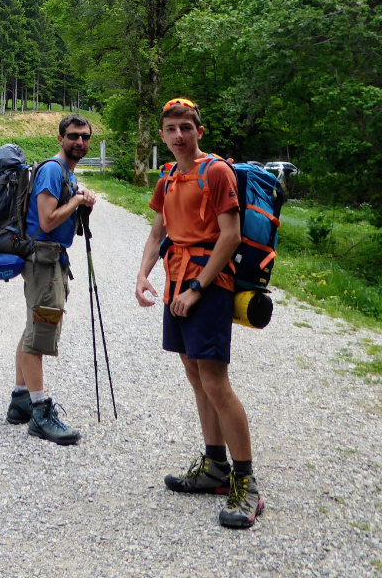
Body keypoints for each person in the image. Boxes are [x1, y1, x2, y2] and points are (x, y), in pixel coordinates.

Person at [134, 98, 263, 529]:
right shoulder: (169, 175)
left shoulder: (216, 171)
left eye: (185, 128)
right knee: (194, 375)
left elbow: (231, 236)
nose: (178, 136)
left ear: (198, 131)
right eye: (170, 129)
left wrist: (195, 287)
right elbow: (158, 229)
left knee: (215, 381)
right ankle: (214, 468)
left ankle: (247, 484)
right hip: (177, 283)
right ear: (163, 134)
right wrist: (142, 274)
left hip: (207, 285)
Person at [6, 114, 96, 444]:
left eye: (85, 137)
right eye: (73, 136)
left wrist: (80, 204)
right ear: (60, 139)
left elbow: (60, 218)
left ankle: (20, 401)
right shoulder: (52, 171)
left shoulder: (66, 173)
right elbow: (45, 221)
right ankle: (41, 411)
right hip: (42, 258)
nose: (80, 142)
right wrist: (75, 200)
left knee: (35, 325)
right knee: (41, 330)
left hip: (52, 256)